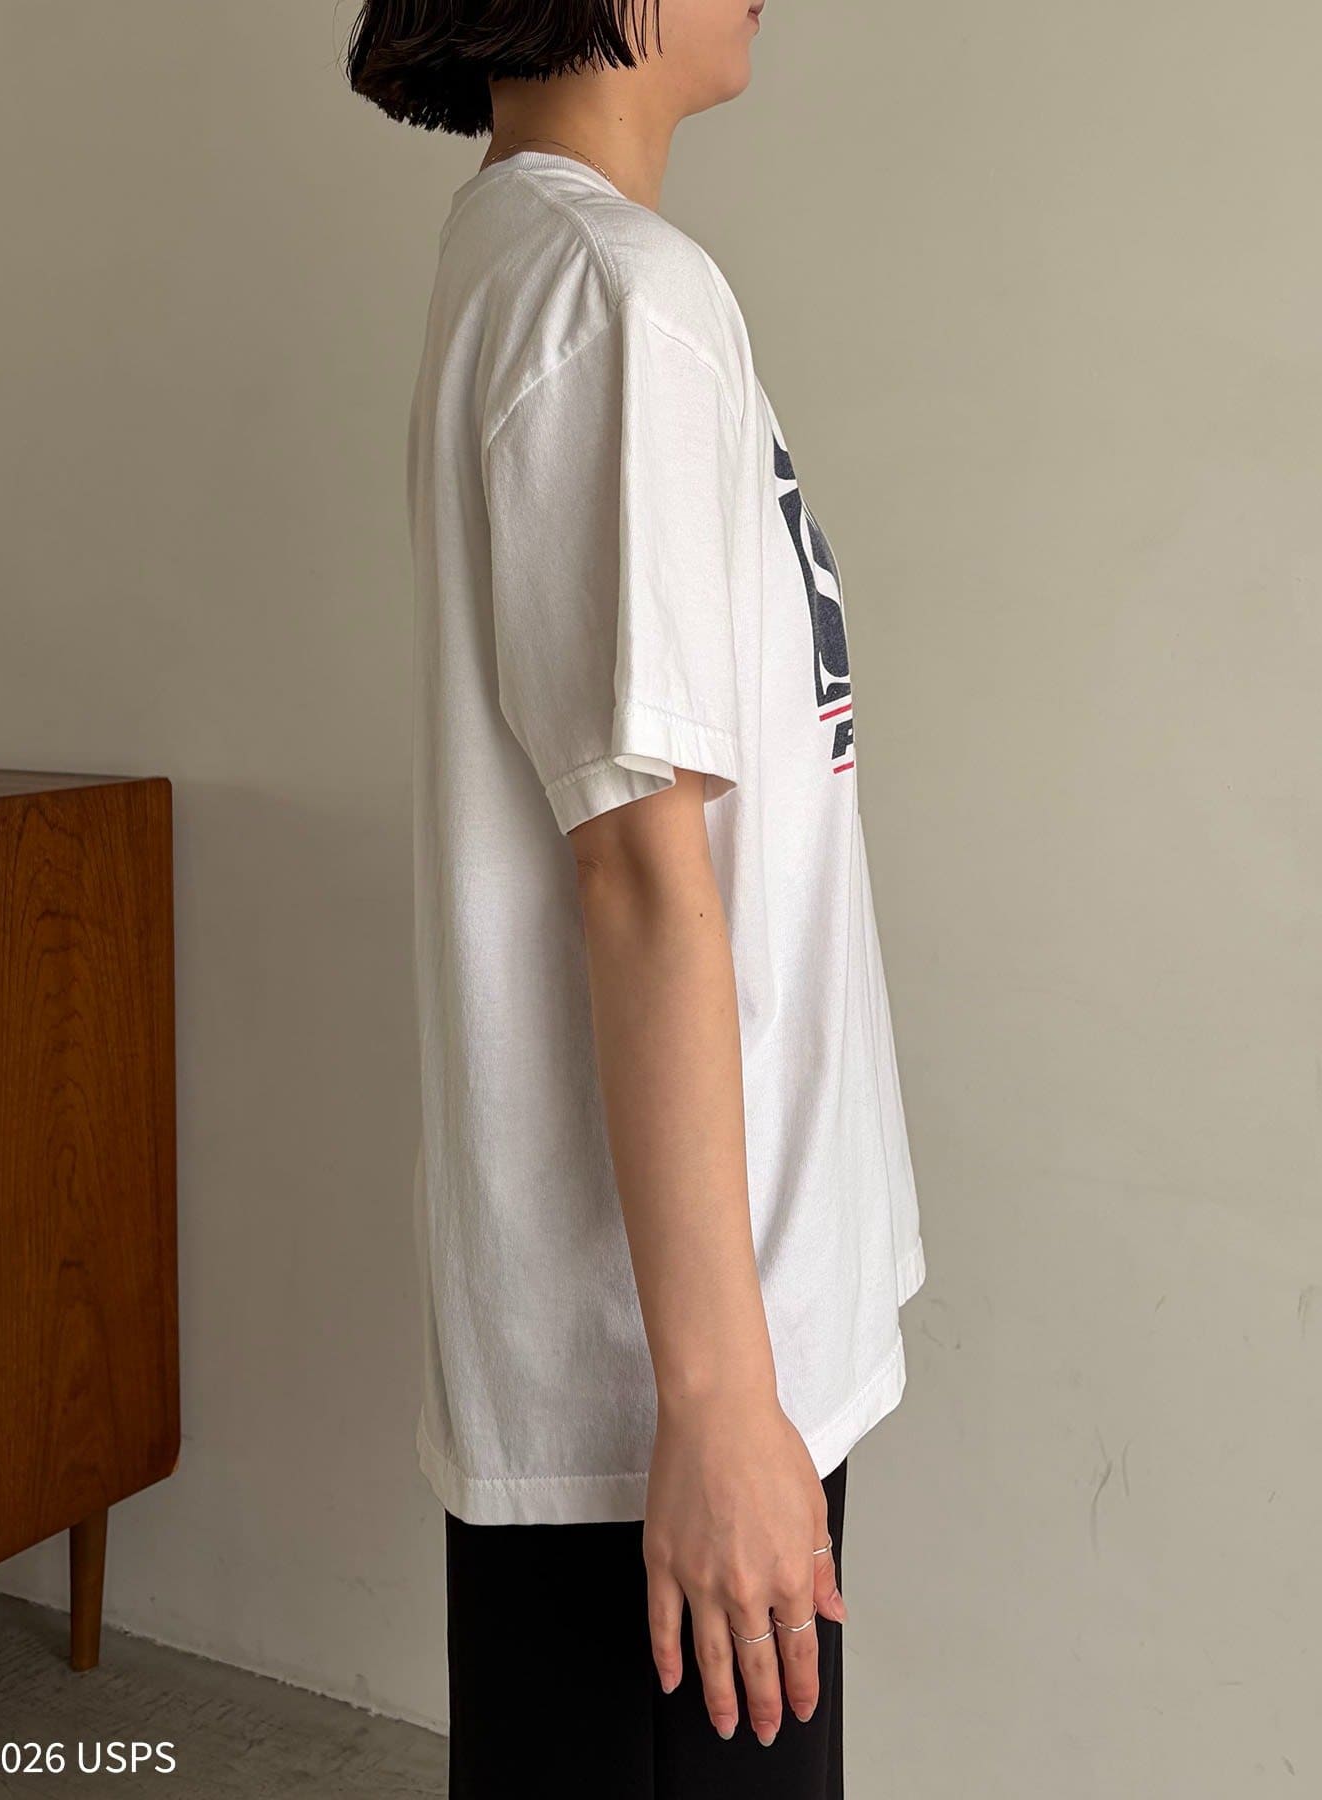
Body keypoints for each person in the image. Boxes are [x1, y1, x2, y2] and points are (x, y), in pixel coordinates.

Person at [346, 4, 925, 1793]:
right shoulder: (615, 298)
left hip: (676, 1344)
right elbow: (639, 877)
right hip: (673, 1383)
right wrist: (721, 1404)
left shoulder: (540, 261)